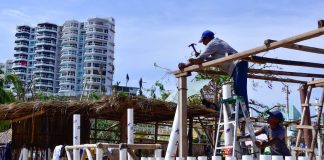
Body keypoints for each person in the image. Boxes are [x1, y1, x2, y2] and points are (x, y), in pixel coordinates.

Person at [178, 30, 249, 111]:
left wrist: (186, 64)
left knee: (240, 88)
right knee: (238, 89)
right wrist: (202, 58)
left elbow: (200, 59)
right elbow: (212, 59)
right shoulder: (216, 45)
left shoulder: (213, 43)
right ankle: (242, 109)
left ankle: (243, 110)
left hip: (238, 64)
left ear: (207, 38)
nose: (203, 43)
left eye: (203, 40)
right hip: (237, 65)